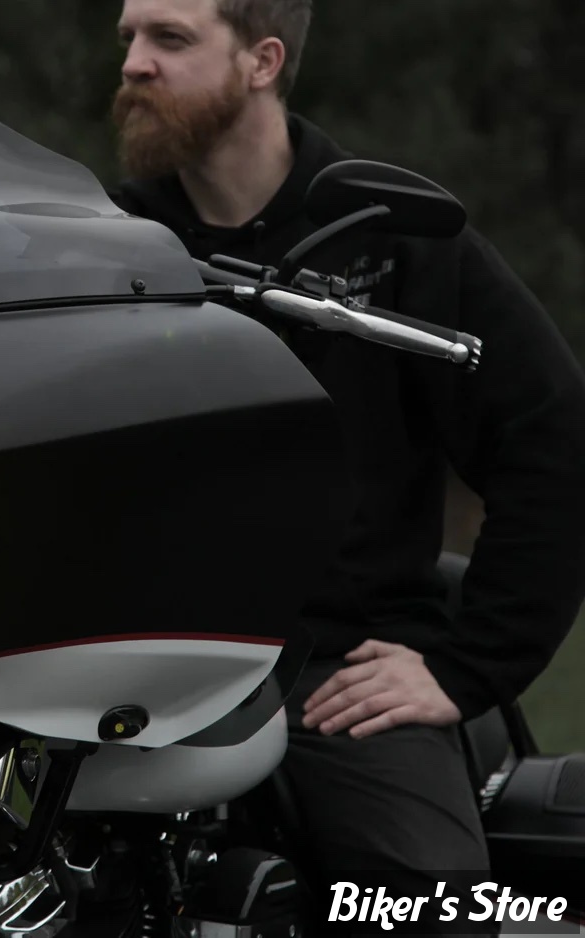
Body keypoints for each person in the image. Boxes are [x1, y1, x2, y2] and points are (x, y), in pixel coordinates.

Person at [106, 0, 585, 929]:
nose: (133, 63)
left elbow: (552, 433)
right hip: (130, 666)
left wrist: (468, 667)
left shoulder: (391, 232)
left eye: (170, 38)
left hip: (335, 670)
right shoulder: (106, 240)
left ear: (262, 61)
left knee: (423, 909)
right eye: (128, 37)